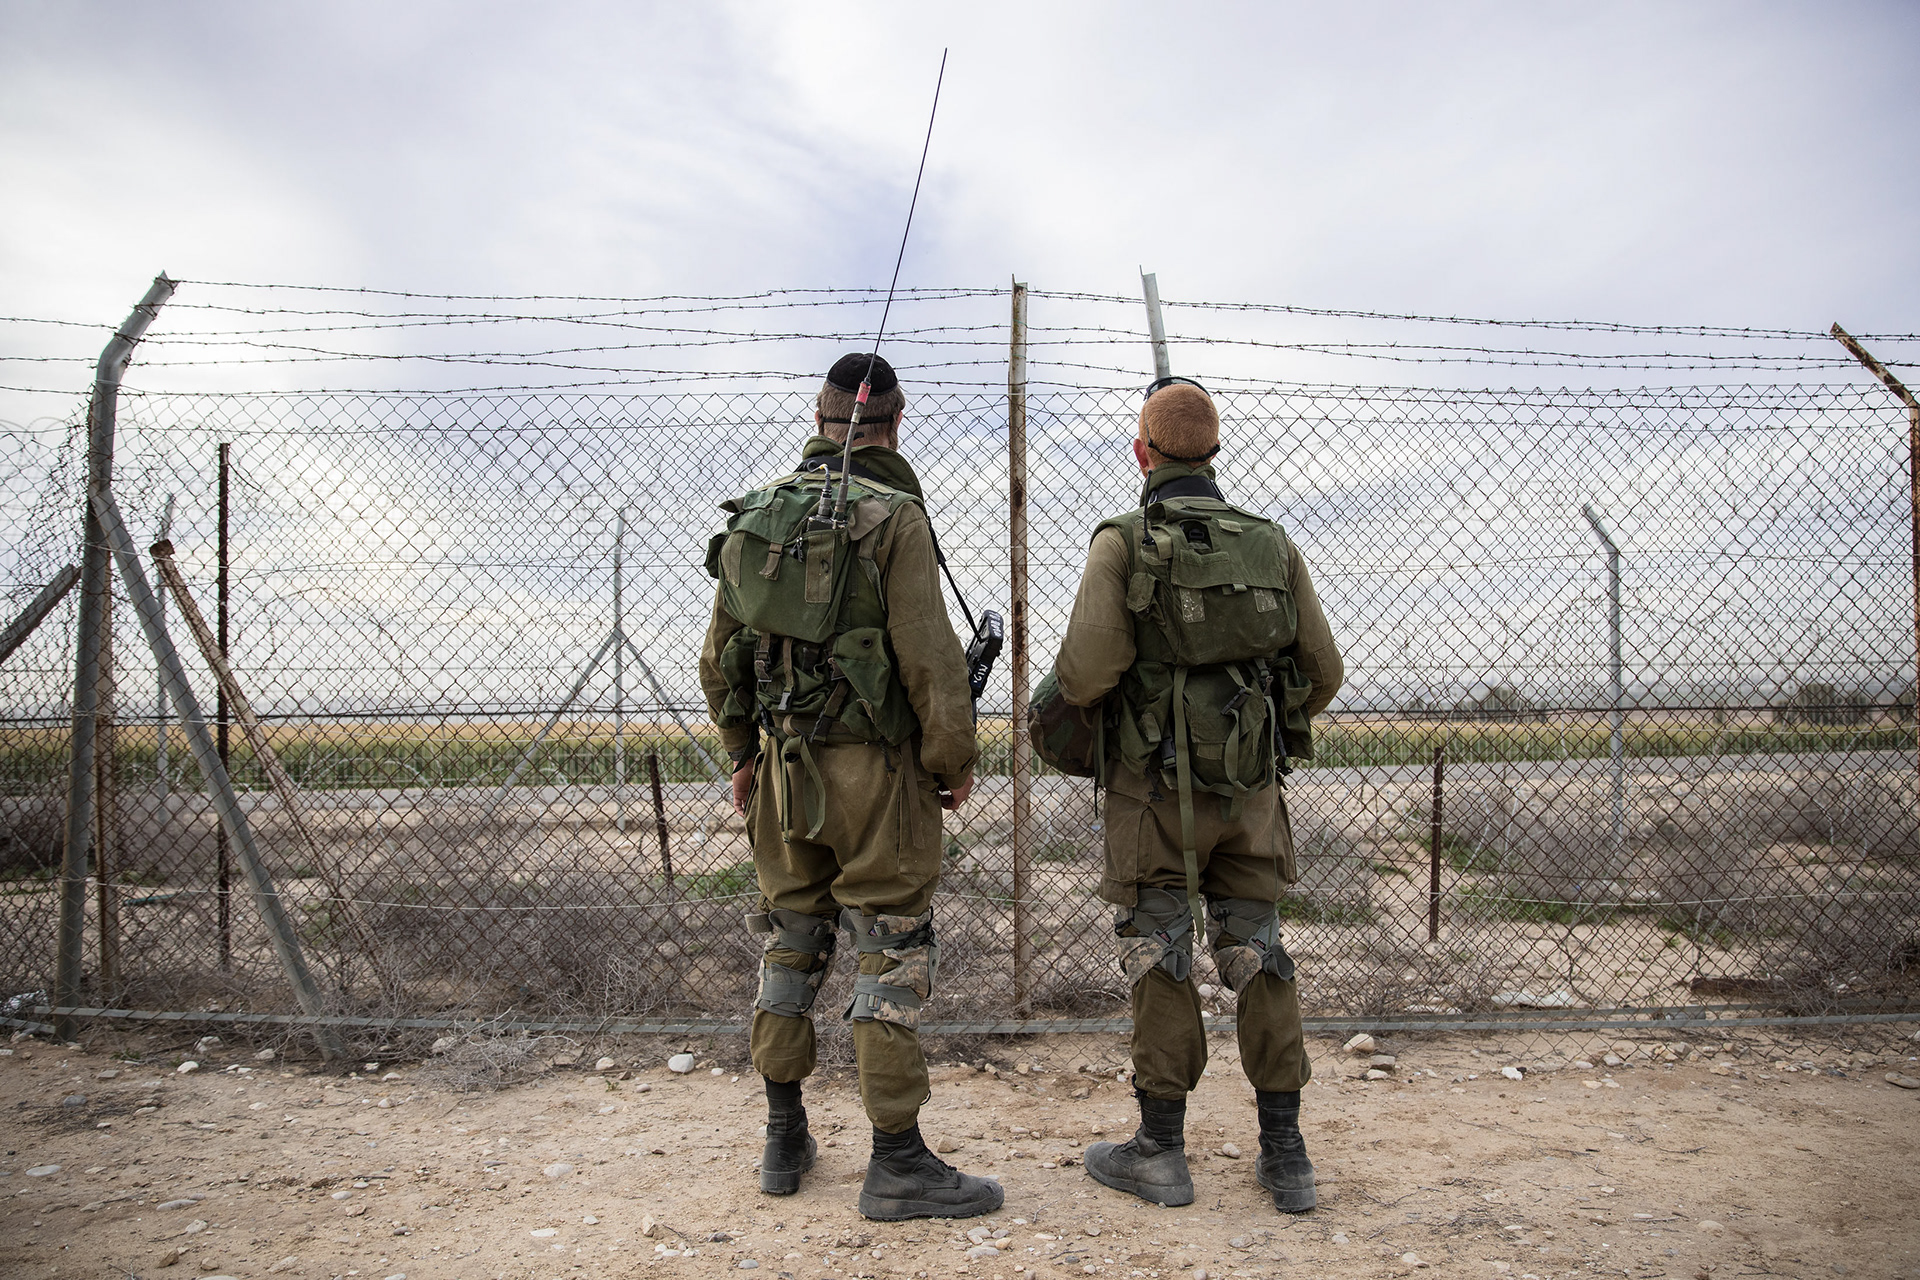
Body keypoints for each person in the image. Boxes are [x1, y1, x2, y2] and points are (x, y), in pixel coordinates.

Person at [699, 352, 1002, 1221]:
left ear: (820, 417)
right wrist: (952, 763)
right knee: (890, 948)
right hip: (877, 776)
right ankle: (898, 1161)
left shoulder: (756, 520)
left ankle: (783, 1137)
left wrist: (742, 754)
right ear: (895, 425)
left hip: (781, 773)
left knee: (790, 942)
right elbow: (932, 663)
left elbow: (720, 660)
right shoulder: (896, 518)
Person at [1048, 376, 1344, 1213]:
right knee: (1261, 957)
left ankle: (1160, 1153)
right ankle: (1286, 1156)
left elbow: (1086, 673)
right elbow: (1322, 673)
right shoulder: (1271, 543)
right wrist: (1247, 729)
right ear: (1214, 451)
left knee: (1160, 956)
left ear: (1141, 452)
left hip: (1151, 802)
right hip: (1251, 799)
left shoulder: (1121, 542)